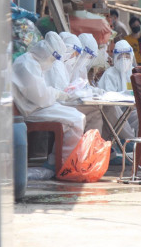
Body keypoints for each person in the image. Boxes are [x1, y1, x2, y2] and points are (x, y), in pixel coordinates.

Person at [11, 31, 85, 180]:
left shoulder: (33, 63)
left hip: (36, 106)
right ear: (47, 52)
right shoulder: (26, 64)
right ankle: (65, 165)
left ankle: (57, 160)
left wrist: (57, 94)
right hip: (31, 110)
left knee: (76, 117)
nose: (53, 62)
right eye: (54, 57)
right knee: (76, 119)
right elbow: (41, 96)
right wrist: (57, 94)